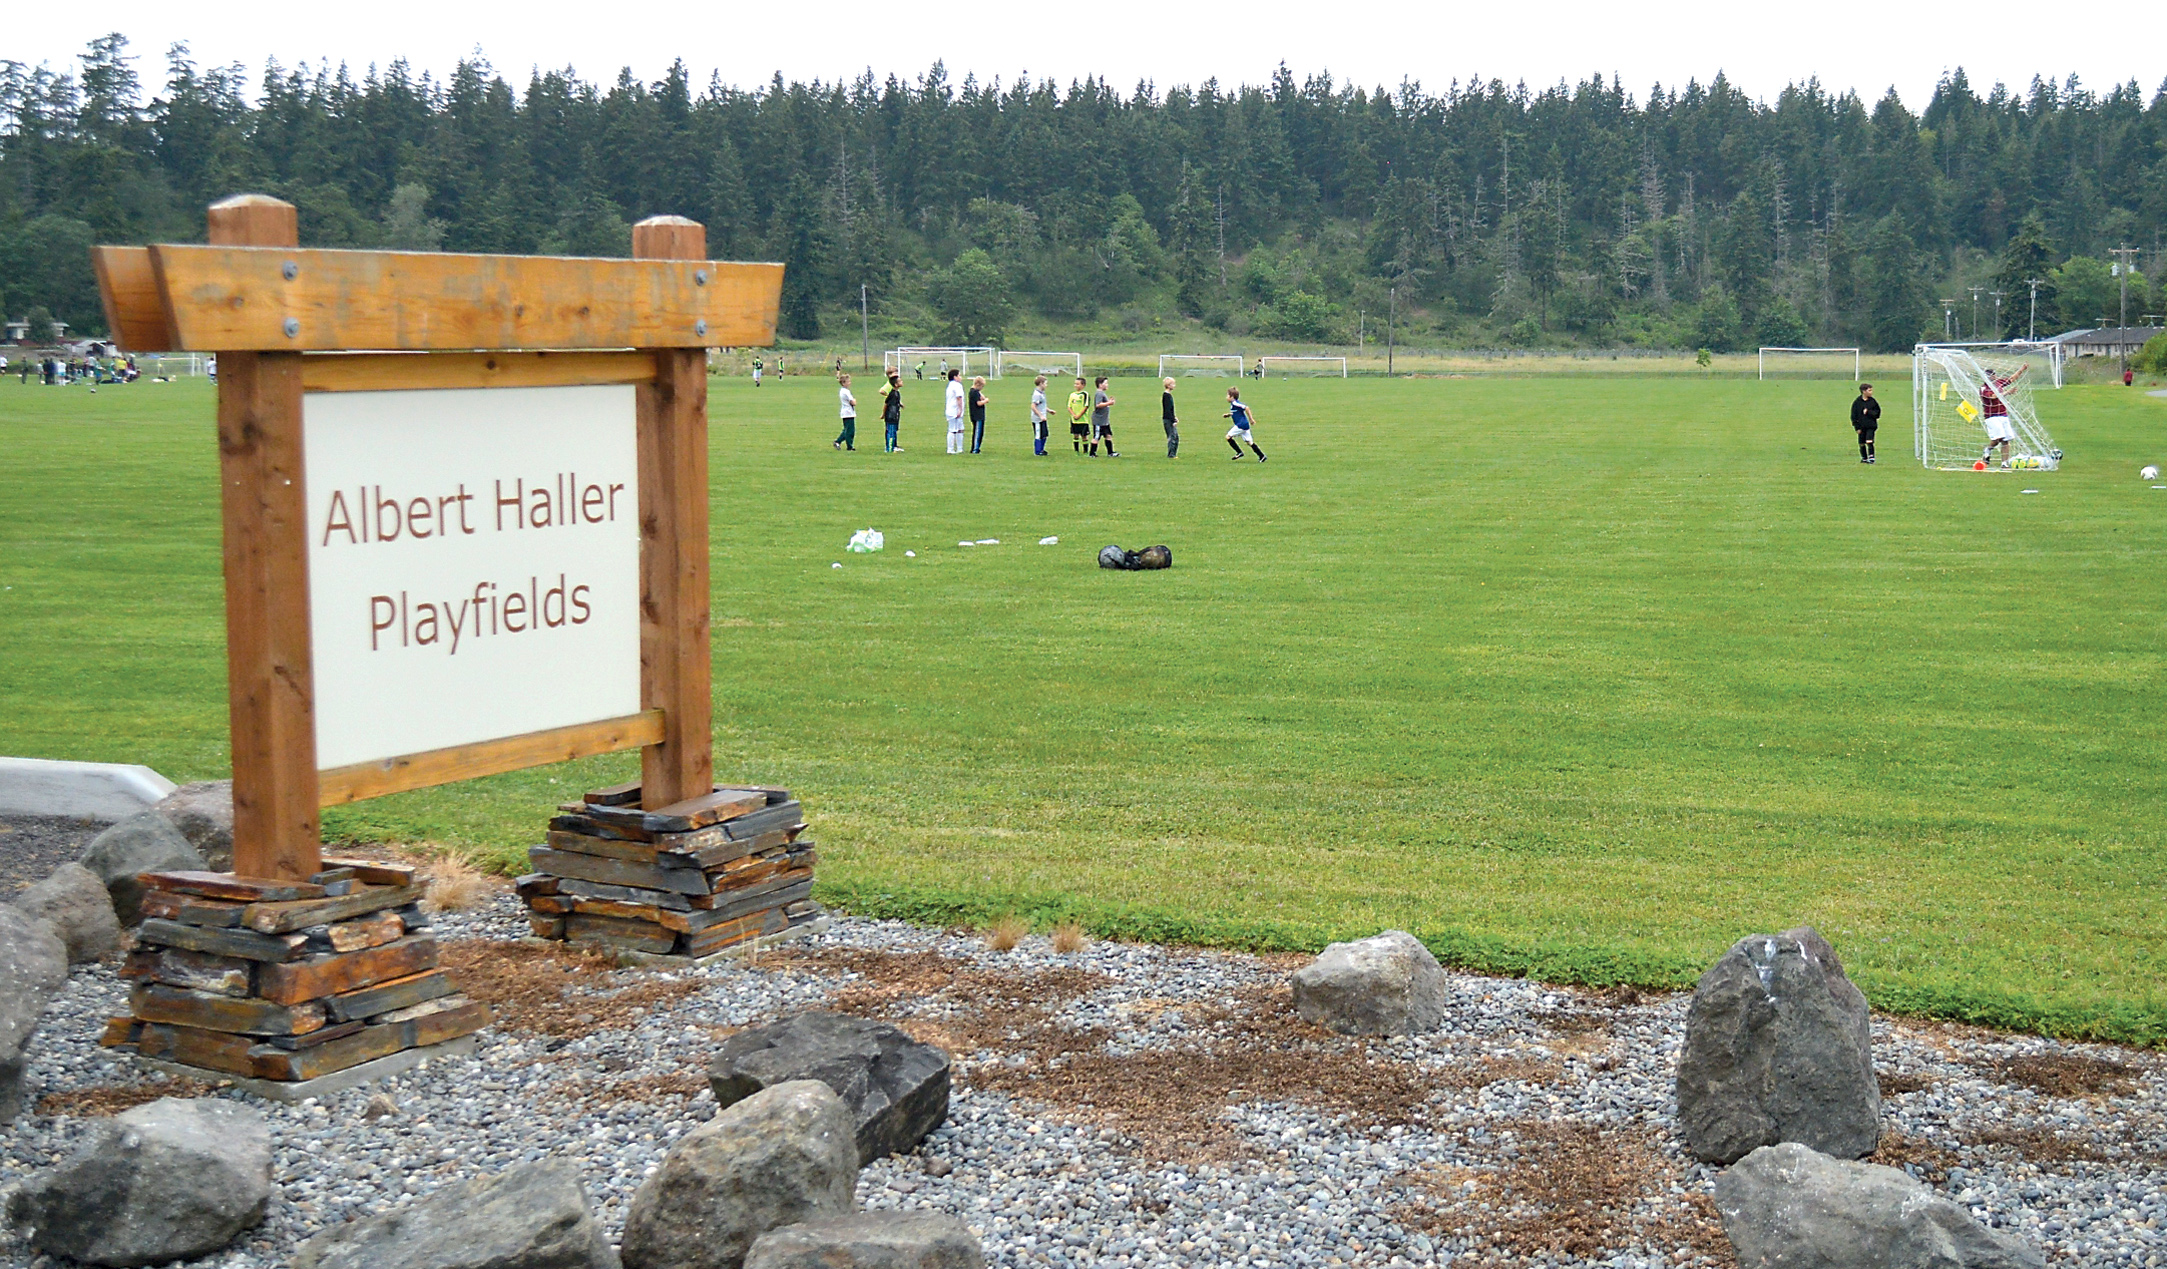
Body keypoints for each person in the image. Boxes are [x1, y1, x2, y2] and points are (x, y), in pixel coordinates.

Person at [1979, 363, 2027, 466]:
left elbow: (2011, 379)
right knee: (1998, 438)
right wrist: (2007, 392)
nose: (1993, 377)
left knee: (2006, 439)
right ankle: (1988, 449)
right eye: (1990, 376)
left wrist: (2022, 369)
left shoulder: (1998, 383)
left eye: (1993, 375)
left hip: (2003, 414)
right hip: (1991, 416)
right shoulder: (1984, 388)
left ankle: (2004, 463)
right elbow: (1993, 396)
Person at [1224, 387, 1267, 461]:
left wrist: (1251, 419)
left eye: (1227, 395)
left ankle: (1239, 452)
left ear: (1232, 397)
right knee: (1249, 442)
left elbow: (1246, 408)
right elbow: (1236, 412)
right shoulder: (1233, 404)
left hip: (1241, 425)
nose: (1226, 397)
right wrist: (1228, 415)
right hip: (1244, 425)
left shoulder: (1235, 403)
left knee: (1228, 437)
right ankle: (1262, 456)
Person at [1850, 382, 1880, 464]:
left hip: (1871, 426)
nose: (1871, 392)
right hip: (1861, 426)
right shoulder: (1857, 402)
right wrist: (1857, 427)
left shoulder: (1873, 402)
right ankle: (1864, 458)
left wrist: (1868, 412)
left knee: (1869, 441)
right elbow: (1853, 415)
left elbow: (1877, 414)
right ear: (1864, 391)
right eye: (1869, 390)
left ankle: (1871, 457)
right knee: (1861, 443)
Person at [1091, 376, 1119, 457]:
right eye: (1105, 383)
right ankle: (1092, 453)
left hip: (1104, 420)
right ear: (1100, 385)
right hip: (1099, 420)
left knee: (1108, 435)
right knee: (1096, 436)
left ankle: (1110, 452)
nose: (1107, 385)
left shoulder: (1102, 393)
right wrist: (1109, 403)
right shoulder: (1099, 393)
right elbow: (1098, 405)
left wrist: (1109, 401)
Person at [879, 369, 905, 452]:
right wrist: (883, 414)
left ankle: (893, 446)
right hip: (891, 416)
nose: (902, 382)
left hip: (895, 415)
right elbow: (886, 404)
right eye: (900, 381)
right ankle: (889, 448)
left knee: (893, 431)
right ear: (896, 384)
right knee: (890, 431)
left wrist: (900, 404)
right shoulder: (892, 394)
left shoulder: (897, 393)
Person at [944, 367, 967, 454]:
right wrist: (960, 410)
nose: (960, 377)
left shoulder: (950, 385)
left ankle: (959, 448)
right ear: (955, 377)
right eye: (959, 375)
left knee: (959, 429)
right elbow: (959, 398)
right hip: (954, 410)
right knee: (953, 429)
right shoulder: (957, 385)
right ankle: (950, 449)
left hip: (950, 409)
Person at [1066, 377, 1091, 453]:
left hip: (1083, 420)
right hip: (1074, 420)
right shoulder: (1072, 395)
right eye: (1075, 384)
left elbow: (1086, 406)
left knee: (1084, 436)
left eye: (1077, 384)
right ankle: (1076, 451)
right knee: (1075, 435)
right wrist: (1074, 415)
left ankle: (1085, 451)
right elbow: (1069, 406)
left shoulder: (1085, 394)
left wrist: (1079, 415)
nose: (1075, 385)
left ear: (1083, 385)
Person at [835, 373, 858, 451]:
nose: (849, 383)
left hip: (846, 412)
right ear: (843, 383)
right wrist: (854, 401)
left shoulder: (842, 391)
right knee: (850, 431)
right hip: (848, 413)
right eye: (848, 381)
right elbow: (852, 402)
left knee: (846, 429)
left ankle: (838, 442)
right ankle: (849, 446)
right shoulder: (846, 392)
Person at [968, 375, 989, 453]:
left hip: (978, 415)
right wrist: (985, 401)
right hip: (977, 415)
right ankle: (975, 449)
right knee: (978, 432)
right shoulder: (974, 392)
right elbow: (979, 403)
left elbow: (981, 397)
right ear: (978, 385)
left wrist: (980, 393)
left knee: (980, 432)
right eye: (981, 387)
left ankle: (976, 447)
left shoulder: (975, 392)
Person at [1030, 375, 1050, 456]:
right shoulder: (1037, 394)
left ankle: (1042, 449)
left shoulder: (1042, 393)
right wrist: (1040, 415)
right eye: (1045, 383)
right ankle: (1038, 451)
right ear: (1041, 383)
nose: (1046, 385)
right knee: (1038, 435)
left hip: (1043, 418)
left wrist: (1049, 410)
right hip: (1037, 419)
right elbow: (1033, 406)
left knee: (1044, 434)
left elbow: (1041, 405)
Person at [1161, 376, 1180, 458]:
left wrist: (1175, 417)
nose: (1174, 385)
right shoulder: (1166, 396)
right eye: (1173, 384)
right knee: (1172, 437)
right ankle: (1171, 455)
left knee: (1175, 437)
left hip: (1170, 418)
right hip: (1168, 420)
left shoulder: (1168, 395)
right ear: (1168, 385)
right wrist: (1173, 420)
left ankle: (1173, 454)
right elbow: (1168, 410)